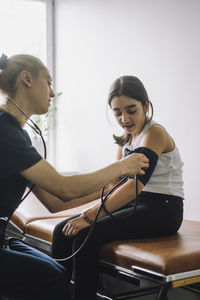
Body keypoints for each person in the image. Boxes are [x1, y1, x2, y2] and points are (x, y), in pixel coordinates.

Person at [0, 54, 149, 300]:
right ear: (27, 79)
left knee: (57, 272)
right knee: (50, 277)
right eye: (48, 82)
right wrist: (121, 167)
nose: (51, 93)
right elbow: (65, 187)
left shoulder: (17, 134)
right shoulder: (5, 132)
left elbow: (57, 202)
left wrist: (111, 187)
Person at [52, 75, 184, 300]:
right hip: (136, 203)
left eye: (131, 110)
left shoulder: (155, 133)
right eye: (117, 112)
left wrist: (90, 216)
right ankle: (56, 294)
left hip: (164, 209)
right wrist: (77, 206)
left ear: (145, 105)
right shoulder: (126, 139)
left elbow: (134, 186)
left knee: (86, 235)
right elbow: (115, 185)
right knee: (61, 231)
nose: (125, 118)